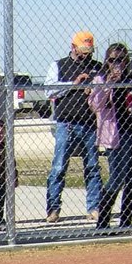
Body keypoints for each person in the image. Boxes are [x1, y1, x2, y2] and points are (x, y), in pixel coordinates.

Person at [90, 43, 132, 231]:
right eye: (112, 60)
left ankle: (126, 221)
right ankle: (103, 221)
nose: (116, 64)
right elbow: (95, 105)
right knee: (116, 178)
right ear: (107, 61)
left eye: (120, 60)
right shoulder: (100, 79)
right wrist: (109, 85)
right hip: (115, 135)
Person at [44, 30, 104, 223]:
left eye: (89, 50)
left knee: (93, 166)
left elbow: (104, 92)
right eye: (82, 50)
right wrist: (74, 83)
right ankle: (53, 209)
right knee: (59, 166)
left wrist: (93, 89)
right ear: (73, 47)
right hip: (66, 123)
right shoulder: (59, 65)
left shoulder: (97, 67)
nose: (86, 54)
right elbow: (49, 91)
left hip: (89, 123)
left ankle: (94, 207)